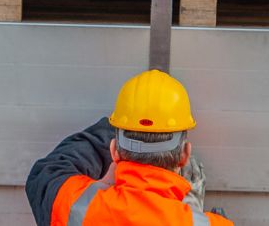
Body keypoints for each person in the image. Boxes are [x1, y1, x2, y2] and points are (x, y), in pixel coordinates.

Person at [25, 70, 233, 226]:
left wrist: (113, 128)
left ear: (114, 150)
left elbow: (46, 173)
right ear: (185, 155)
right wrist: (192, 211)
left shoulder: (78, 208)